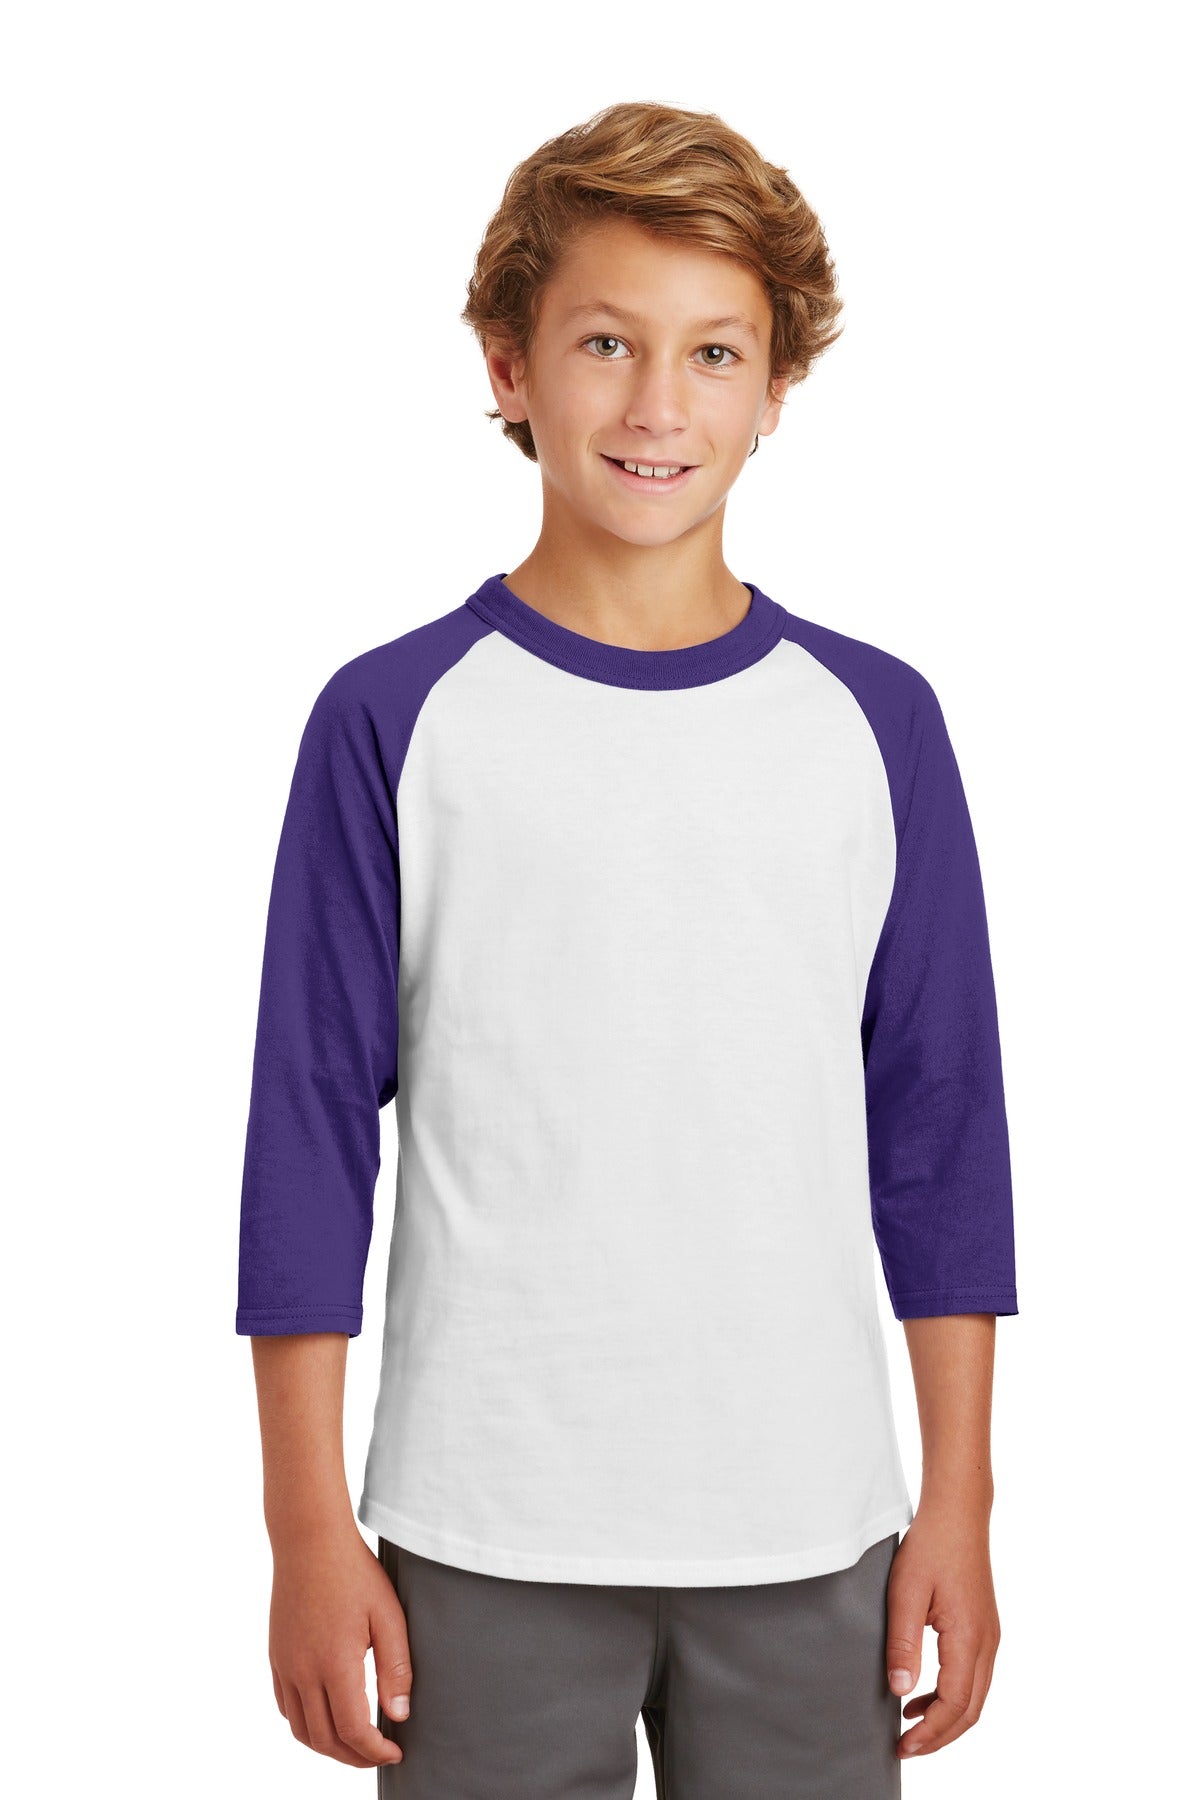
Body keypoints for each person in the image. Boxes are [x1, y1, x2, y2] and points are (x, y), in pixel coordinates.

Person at [236, 99, 1019, 1798]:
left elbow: (943, 1131)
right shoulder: (393, 719)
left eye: (714, 352)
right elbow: (306, 1136)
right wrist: (306, 1528)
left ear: (776, 388)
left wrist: (957, 1499)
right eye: (606, 343)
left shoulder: (876, 725)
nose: (660, 405)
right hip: (482, 1531)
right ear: (508, 365)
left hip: (811, 1526)